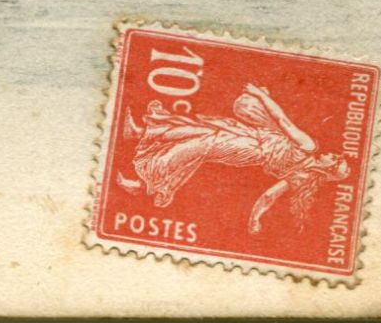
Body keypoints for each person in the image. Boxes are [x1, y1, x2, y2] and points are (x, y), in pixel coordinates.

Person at [117, 84, 350, 234]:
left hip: (250, 148)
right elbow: (269, 195)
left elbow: (282, 121)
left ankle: (144, 183)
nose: (334, 155)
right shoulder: (303, 170)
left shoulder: (307, 151)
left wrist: (259, 94)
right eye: (338, 156)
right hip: (251, 137)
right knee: (202, 129)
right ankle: (138, 133)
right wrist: (255, 220)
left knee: (202, 144)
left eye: (336, 160)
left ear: (329, 168)